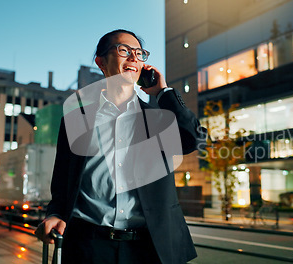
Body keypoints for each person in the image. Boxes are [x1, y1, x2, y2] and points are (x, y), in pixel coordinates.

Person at [35, 29, 206, 264]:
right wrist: (54, 214)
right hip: (88, 246)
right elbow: (63, 180)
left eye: (139, 53)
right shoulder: (76, 120)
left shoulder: (159, 119)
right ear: (101, 62)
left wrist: (163, 92)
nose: (134, 58)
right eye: (124, 50)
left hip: (149, 248)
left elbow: (194, 139)